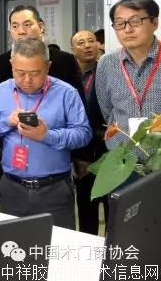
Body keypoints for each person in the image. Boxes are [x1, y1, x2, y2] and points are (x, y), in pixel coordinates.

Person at [0, 39, 91, 229]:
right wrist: (7, 122)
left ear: (48, 67)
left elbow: (83, 133)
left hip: (54, 189)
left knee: (57, 244)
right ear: (12, 65)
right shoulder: (0, 91)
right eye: (20, 72)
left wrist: (47, 135)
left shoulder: (66, 93)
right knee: (14, 244)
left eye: (35, 73)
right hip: (12, 188)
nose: (27, 80)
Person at [95, 0, 161, 151]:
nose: (128, 29)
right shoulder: (107, 63)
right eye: (120, 23)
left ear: (154, 22)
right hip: (122, 158)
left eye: (135, 21)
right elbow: (107, 111)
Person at [0, 5, 85, 102]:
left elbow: (78, 103)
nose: (21, 31)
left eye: (27, 25)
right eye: (15, 26)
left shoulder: (65, 60)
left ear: (41, 26)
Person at [70, 30, 109, 235]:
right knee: (86, 211)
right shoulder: (69, 77)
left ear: (98, 45)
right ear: (72, 49)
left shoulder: (107, 71)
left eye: (91, 41)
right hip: (82, 156)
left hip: (109, 151)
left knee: (113, 210)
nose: (87, 46)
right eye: (81, 42)